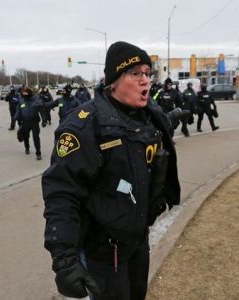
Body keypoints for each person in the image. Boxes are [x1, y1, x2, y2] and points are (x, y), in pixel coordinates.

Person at [42, 41, 181, 300]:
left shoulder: (148, 114)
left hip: (137, 238)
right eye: (136, 73)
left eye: (148, 73)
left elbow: (139, 144)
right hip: (104, 251)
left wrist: (170, 120)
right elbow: (62, 191)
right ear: (114, 81)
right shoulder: (84, 126)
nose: (145, 81)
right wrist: (63, 260)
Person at [14, 86, 45, 160]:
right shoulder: (22, 101)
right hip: (25, 122)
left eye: (25, 93)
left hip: (34, 122)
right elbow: (19, 111)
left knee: (36, 138)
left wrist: (44, 120)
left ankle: (38, 153)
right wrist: (15, 118)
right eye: (23, 93)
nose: (24, 94)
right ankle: (27, 148)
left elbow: (42, 110)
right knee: (25, 136)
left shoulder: (36, 100)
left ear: (29, 93)